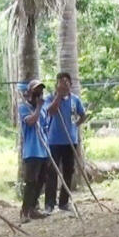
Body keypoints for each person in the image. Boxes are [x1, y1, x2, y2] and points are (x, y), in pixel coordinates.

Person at [43, 72, 87, 215]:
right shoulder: (50, 98)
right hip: (54, 141)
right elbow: (50, 111)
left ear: (70, 85)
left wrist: (75, 125)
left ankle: (64, 202)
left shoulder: (75, 100)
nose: (64, 85)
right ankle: (49, 204)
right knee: (52, 172)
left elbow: (83, 115)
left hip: (70, 141)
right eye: (61, 82)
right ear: (57, 84)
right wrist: (59, 97)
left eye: (67, 83)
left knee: (68, 171)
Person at [19, 80, 50, 223]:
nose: (39, 94)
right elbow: (31, 121)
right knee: (30, 182)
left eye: (41, 91)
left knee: (41, 180)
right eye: (36, 91)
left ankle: (33, 208)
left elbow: (45, 125)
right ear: (30, 93)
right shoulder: (23, 108)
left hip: (43, 150)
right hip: (32, 150)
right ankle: (25, 211)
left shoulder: (43, 108)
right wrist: (38, 108)